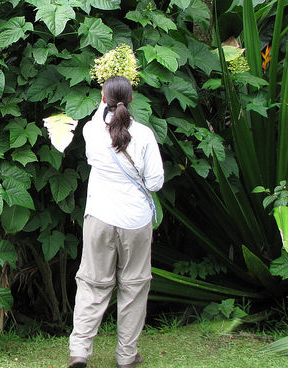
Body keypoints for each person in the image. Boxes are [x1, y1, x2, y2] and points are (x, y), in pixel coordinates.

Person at [67, 76, 164, 368]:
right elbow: (156, 182)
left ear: (102, 98)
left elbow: (99, 125)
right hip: (135, 221)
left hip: (99, 217)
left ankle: (80, 352)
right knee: (134, 287)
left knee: (92, 284)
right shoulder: (145, 134)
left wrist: (102, 103)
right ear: (132, 99)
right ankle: (126, 357)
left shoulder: (91, 131)